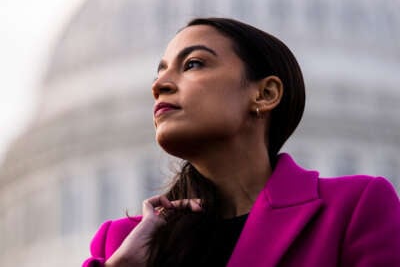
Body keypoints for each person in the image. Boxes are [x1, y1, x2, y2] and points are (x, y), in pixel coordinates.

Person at [83, 17, 400, 267]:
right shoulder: (122, 243)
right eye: (159, 74)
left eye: (193, 64)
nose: (159, 86)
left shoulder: (353, 208)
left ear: (265, 94)